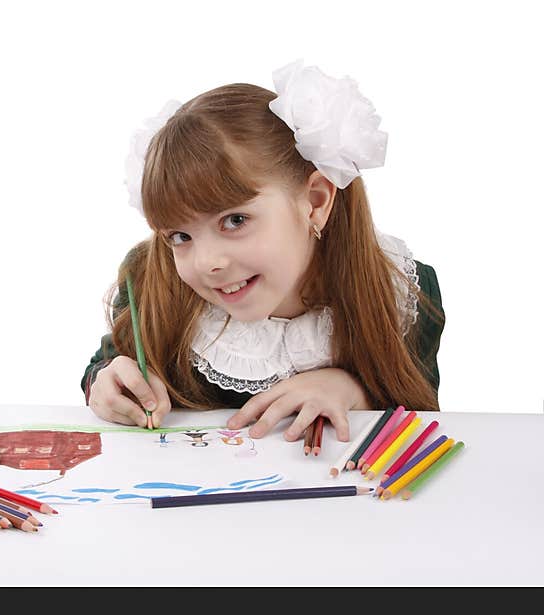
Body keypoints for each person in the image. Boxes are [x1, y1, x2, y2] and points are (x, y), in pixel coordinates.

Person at [80, 60, 445, 444]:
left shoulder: (400, 292)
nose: (208, 263)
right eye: (180, 236)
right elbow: (104, 365)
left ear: (316, 201)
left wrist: (354, 391)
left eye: (235, 221)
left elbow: (422, 417)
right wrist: (106, 382)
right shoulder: (150, 279)